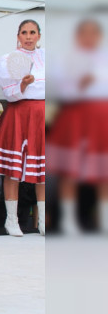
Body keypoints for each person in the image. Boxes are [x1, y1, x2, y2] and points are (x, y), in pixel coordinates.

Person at [0, 20, 45, 236]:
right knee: (13, 169)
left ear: (39, 35)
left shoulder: (48, 57)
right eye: (24, 33)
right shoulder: (7, 59)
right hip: (19, 112)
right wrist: (24, 85)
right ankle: (11, 220)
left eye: (32, 32)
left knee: (43, 170)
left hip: (44, 113)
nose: (28, 37)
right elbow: (10, 93)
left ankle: (44, 221)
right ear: (18, 36)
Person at [49, 18, 108, 234]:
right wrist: (80, 84)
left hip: (103, 116)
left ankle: (104, 218)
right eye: (85, 32)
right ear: (77, 36)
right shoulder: (65, 59)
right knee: (70, 171)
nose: (89, 37)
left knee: (104, 171)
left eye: (94, 33)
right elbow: (60, 90)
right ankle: (67, 220)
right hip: (75, 115)